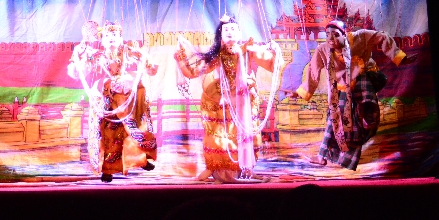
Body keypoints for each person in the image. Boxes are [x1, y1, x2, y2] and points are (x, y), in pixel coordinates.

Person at [289, 20, 416, 170]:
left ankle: (364, 118)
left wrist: (399, 57)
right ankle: (322, 156)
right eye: (327, 35)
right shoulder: (323, 49)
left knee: (366, 115)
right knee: (334, 120)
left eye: (335, 34)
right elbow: (313, 71)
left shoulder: (360, 37)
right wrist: (300, 92)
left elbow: (382, 36)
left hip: (363, 81)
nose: (331, 38)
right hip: (341, 88)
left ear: (344, 34)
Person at [175, 16, 283, 183]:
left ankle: (244, 169)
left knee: (245, 135)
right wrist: (180, 58)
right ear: (220, 34)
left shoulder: (248, 50)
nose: (230, 32)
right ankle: (216, 169)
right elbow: (193, 72)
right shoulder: (216, 55)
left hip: (243, 100)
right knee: (219, 137)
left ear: (239, 33)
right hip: (222, 100)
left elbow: (273, 64)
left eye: (233, 29)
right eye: (226, 29)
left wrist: (275, 51)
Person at [69, 21, 158, 182]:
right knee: (109, 136)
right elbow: (76, 72)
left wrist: (149, 64)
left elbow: (149, 65)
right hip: (107, 103)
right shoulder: (97, 55)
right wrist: (77, 57)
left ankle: (141, 160)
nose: (111, 38)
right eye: (108, 35)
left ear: (121, 38)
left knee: (133, 127)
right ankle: (107, 170)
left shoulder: (128, 51)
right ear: (102, 39)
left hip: (125, 100)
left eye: (115, 35)